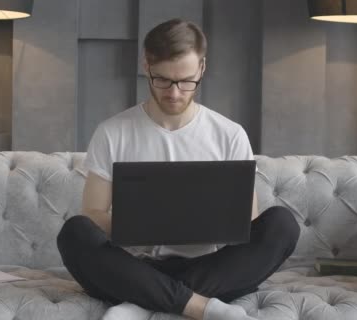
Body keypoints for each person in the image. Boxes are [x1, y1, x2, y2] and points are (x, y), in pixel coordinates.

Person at [57, 18, 300, 320]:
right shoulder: (113, 132)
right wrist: (139, 226)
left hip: (209, 267)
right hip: (133, 265)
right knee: (74, 233)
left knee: (282, 224)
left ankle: (142, 300)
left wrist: (209, 223)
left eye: (186, 81)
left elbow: (247, 222)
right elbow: (92, 215)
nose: (174, 93)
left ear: (202, 68)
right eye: (163, 80)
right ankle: (201, 306)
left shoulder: (229, 134)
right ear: (147, 65)